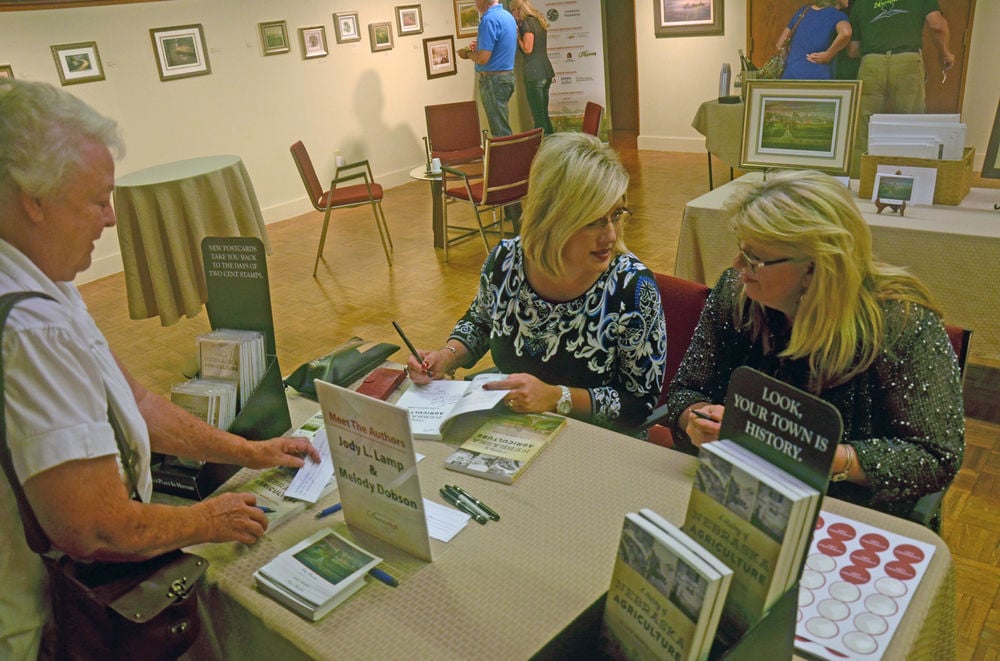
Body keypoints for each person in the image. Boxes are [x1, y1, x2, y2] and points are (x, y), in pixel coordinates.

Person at [0, 80, 320, 659]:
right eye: (97, 200)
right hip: (53, 619)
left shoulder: (41, 280)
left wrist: (251, 452)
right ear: (33, 201)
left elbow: (138, 403)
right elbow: (93, 528)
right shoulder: (32, 329)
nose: (112, 218)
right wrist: (206, 519)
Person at [663, 170, 964, 525]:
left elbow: (935, 457)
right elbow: (685, 391)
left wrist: (816, 456)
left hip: (850, 513)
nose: (737, 266)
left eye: (755, 258)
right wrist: (696, 419)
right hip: (741, 493)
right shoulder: (735, 295)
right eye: (741, 250)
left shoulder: (902, 324)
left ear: (817, 268)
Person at [406, 132, 666, 435]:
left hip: (595, 438)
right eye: (592, 220)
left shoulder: (631, 287)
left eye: (616, 214)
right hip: (514, 427)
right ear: (553, 216)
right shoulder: (506, 261)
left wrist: (558, 397)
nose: (609, 235)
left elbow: (639, 404)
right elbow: (480, 323)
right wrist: (446, 357)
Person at [848, 0, 955, 175]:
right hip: (906, 60)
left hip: (871, 62)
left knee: (865, 125)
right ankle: (908, 179)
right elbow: (937, 25)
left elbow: (853, 50)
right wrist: (946, 54)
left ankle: (861, 178)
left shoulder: (861, 4)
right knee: (910, 123)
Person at [458, 0, 517, 137]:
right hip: (506, 77)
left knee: (500, 130)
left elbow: (483, 59)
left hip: (493, 80)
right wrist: (480, 47)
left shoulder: (488, 20)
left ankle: (508, 158)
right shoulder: (507, 16)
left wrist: (466, 54)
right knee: (502, 124)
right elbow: (501, 46)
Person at [510, 0, 556, 134]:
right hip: (545, 70)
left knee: (538, 117)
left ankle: (544, 150)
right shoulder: (538, 21)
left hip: (534, 73)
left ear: (518, 10)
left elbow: (527, 49)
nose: (512, 15)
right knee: (544, 114)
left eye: (513, 11)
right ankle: (552, 146)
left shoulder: (528, 23)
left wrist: (517, 35)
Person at [778, 1, 851, 80]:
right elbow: (846, 32)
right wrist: (828, 55)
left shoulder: (803, 11)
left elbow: (780, 44)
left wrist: (791, 61)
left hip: (791, 73)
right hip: (817, 74)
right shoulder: (837, 15)